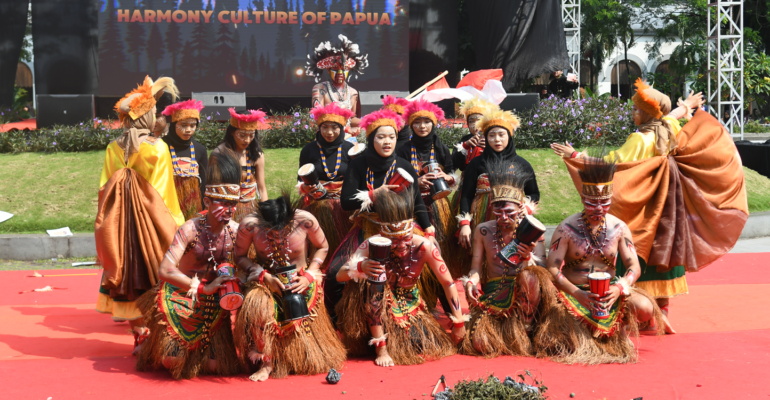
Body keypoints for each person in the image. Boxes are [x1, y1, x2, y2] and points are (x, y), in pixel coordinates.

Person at [550, 79, 717, 330]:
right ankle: (662, 310)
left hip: (643, 208)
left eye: (637, 110)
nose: (633, 113)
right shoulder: (668, 129)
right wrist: (687, 105)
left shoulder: (639, 140)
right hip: (668, 208)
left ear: (649, 113)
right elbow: (671, 116)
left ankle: (643, 314)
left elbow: (611, 164)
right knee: (664, 255)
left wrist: (576, 156)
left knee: (639, 254)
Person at [535, 156, 664, 364]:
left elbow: (634, 267)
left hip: (609, 291)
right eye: (591, 203)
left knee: (646, 308)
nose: (598, 208)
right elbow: (552, 268)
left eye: (604, 203)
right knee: (559, 338)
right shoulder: (566, 229)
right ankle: (588, 334)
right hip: (573, 292)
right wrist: (578, 293)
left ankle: (619, 329)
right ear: (582, 199)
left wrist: (619, 288)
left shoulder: (619, 228)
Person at [95, 76, 184, 354]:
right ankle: (157, 334)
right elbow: (163, 192)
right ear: (146, 117)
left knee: (125, 275)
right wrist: (177, 225)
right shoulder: (158, 147)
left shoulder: (113, 147)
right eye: (154, 113)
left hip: (120, 224)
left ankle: (139, 333)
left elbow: (104, 187)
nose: (157, 117)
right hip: (151, 224)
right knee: (155, 275)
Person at [135, 149, 241, 379]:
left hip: (212, 304)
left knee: (217, 368)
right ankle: (151, 337)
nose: (230, 210)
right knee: (171, 361)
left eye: (234, 203)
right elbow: (165, 270)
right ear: (207, 201)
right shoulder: (190, 229)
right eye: (223, 203)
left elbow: (245, 265)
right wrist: (203, 288)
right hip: (179, 297)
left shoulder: (235, 231)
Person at [325, 109, 438, 324]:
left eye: (392, 137)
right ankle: (335, 316)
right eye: (381, 137)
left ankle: (427, 310)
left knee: (433, 263)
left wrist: (429, 230)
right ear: (371, 139)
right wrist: (373, 195)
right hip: (370, 226)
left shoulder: (404, 166)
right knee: (334, 272)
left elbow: (417, 202)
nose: (387, 142)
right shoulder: (359, 165)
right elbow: (347, 201)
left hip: (403, 229)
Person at [335, 188, 464, 367]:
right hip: (378, 305)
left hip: (410, 305)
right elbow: (340, 275)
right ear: (384, 235)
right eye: (394, 241)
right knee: (374, 282)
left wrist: (458, 323)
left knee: (418, 342)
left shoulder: (425, 247)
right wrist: (361, 266)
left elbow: (448, 282)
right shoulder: (372, 243)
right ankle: (380, 346)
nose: (402, 246)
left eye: (406, 238)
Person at [233, 193, 346, 382]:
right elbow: (239, 257)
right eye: (271, 233)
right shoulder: (250, 225)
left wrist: (309, 275)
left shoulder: (305, 221)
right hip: (265, 279)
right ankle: (266, 362)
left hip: (301, 280)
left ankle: (303, 353)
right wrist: (263, 275)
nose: (278, 238)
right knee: (258, 303)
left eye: (283, 231)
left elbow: (323, 247)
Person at [459, 158, 553, 358]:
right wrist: (471, 282)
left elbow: (544, 271)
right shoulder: (483, 230)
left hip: (526, 296)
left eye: (509, 212)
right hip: (495, 293)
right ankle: (509, 334)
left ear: (520, 209)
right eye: (497, 211)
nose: (503, 218)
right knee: (481, 344)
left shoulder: (534, 230)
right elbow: (475, 268)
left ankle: (526, 329)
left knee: (531, 277)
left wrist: (528, 258)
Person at [457, 110, 540, 276]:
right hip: (481, 218)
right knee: (482, 260)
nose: (497, 140)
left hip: (514, 219)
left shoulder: (522, 164)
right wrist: (465, 224)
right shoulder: (476, 164)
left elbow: (534, 193)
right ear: (486, 138)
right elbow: (466, 195)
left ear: (510, 136)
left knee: (515, 260)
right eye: (492, 135)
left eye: (501, 135)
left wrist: (528, 208)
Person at [395, 99, 457, 311]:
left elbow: (452, 174)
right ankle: (423, 301)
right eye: (418, 122)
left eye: (427, 122)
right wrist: (415, 181)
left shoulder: (441, 148)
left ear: (433, 124)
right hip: (412, 209)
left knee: (441, 253)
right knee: (417, 255)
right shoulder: (402, 150)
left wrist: (447, 178)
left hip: (439, 207)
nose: (422, 126)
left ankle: (446, 303)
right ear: (411, 125)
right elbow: (395, 179)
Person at [297, 103, 356, 271]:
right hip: (316, 207)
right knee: (317, 244)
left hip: (344, 207)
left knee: (345, 247)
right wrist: (306, 188)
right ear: (319, 127)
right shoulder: (309, 149)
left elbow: (357, 179)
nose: (329, 132)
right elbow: (300, 179)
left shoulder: (349, 149)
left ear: (342, 127)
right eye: (325, 127)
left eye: (335, 127)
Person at [211, 108, 268, 222]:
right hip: (226, 211)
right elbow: (213, 188)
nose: (247, 140)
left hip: (250, 210)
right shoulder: (219, 154)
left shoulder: (257, 156)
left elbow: (261, 188)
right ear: (232, 132)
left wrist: (266, 212)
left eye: (251, 135)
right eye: (242, 135)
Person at [306, 34, 369, 136]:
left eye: (344, 69)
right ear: (328, 69)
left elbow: (351, 119)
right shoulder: (320, 89)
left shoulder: (353, 92)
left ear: (349, 70)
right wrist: (347, 129)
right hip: (327, 136)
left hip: (347, 137)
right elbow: (319, 116)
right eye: (335, 69)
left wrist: (368, 121)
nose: (340, 73)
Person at [161, 99, 209, 221]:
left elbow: (205, 181)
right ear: (174, 125)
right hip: (168, 204)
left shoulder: (200, 149)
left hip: (194, 206)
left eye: (193, 126)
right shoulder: (162, 146)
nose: (188, 130)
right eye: (183, 125)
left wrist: (204, 207)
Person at [451, 97, 499, 172]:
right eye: (471, 121)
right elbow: (454, 164)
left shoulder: (496, 140)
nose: (475, 125)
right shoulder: (465, 141)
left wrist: (491, 149)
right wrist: (465, 147)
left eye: (479, 120)